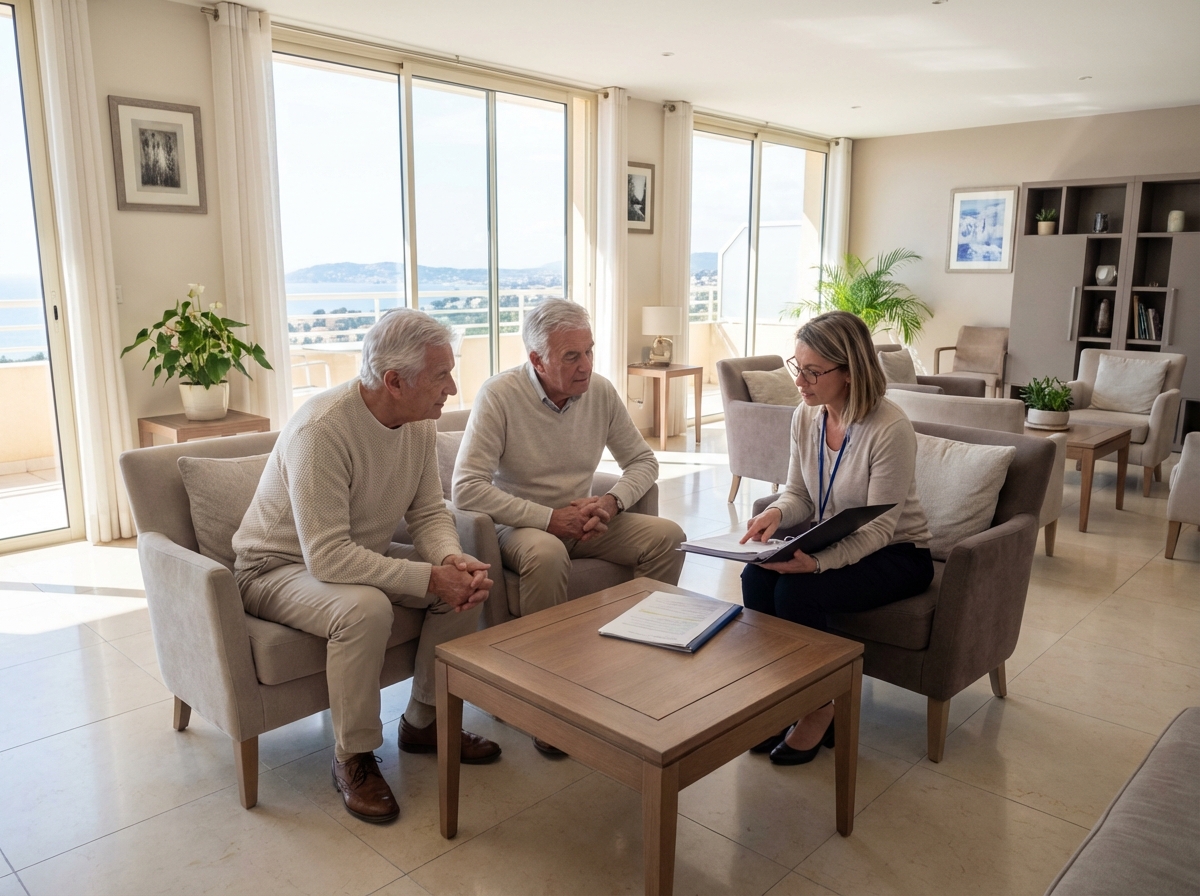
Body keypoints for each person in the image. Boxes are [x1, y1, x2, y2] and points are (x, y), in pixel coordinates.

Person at [233, 309, 500, 825]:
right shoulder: (322, 430)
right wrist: (427, 575)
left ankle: (423, 721)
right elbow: (328, 556)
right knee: (365, 609)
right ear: (394, 381)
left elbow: (426, 511)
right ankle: (351, 756)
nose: (452, 386)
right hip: (273, 567)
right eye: (441, 374)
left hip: (350, 554)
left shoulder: (418, 422)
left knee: (467, 585)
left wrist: (448, 559)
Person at [452, 299, 687, 752]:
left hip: (587, 522)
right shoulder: (499, 395)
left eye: (589, 351)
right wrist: (549, 519)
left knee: (669, 538)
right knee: (546, 551)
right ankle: (547, 698)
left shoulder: (599, 391)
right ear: (536, 359)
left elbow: (643, 459)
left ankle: (636, 662)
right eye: (571, 356)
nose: (586, 366)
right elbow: (467, 489)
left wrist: (611, 502)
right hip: (521, 527)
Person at [740, 310, 934, 766]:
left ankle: (819, 707)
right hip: (836, 538)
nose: (799, 382)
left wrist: (819, 563)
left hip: (897, 553)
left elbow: (880, 526)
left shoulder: (889, 429)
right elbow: (800, 494)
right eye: (797, 367)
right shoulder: (806, 418)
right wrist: (775, 513)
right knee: (755, 576)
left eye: (812, 372)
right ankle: (778, 698)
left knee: (796, 590)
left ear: (848, 372)